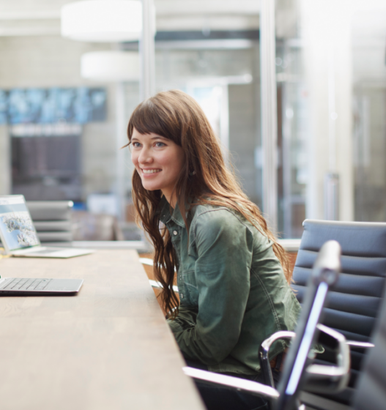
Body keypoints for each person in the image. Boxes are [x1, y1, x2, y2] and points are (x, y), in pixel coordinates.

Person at [127, 90, 301, 410]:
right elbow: (193, 313)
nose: (143, 157)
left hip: (252, 379)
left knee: (126, 376)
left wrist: (145, 333)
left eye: (159, 144)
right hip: (231, 366)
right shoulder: (182, 216)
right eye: (137, 144)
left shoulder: (214, 222)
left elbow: (211, 344)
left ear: (189, 151)